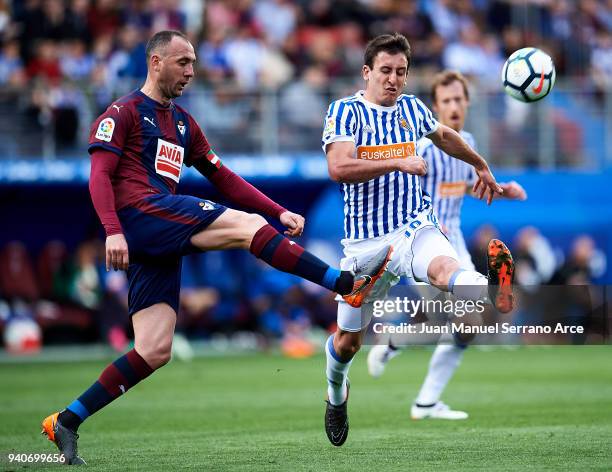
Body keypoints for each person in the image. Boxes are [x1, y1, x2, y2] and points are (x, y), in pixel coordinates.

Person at [40, 30, 391, 465]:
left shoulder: (184, 123)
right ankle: (343, 282)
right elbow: (99, 176)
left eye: (193, 62)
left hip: (159, 235)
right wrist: (112, 229)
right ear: (155, 62)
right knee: (246, 228)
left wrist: (278, 210)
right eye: (182, 62)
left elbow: (223, 179)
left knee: (154, 349)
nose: (191, 71)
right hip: (141, 216)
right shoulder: (123, 112)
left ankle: (67, 420)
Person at [321, 33, 516, 447]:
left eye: (401, 72)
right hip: (365, 247)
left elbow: (443, 136)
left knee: (447, 270)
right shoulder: (345, 112)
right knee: (347, 343)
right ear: (367, 72)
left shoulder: (411, 109)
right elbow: (338, 167)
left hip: (414, 228)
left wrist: (480, 164)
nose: (393, 80)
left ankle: (488, 287)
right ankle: (336, 393)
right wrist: (398, 159)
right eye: (386, 71)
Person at [366, 70, 527, 420]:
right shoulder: (425, 146)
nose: (454, 106)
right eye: (446, 101)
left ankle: (421, 393)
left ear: (467, 103)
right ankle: (399, 348)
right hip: (425, 246)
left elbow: (472, 185)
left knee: (468, 328)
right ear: (436, 107)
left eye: (459, 99)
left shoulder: (466, 142)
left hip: (457, 247)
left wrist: (503, 190)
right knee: (461, 320)